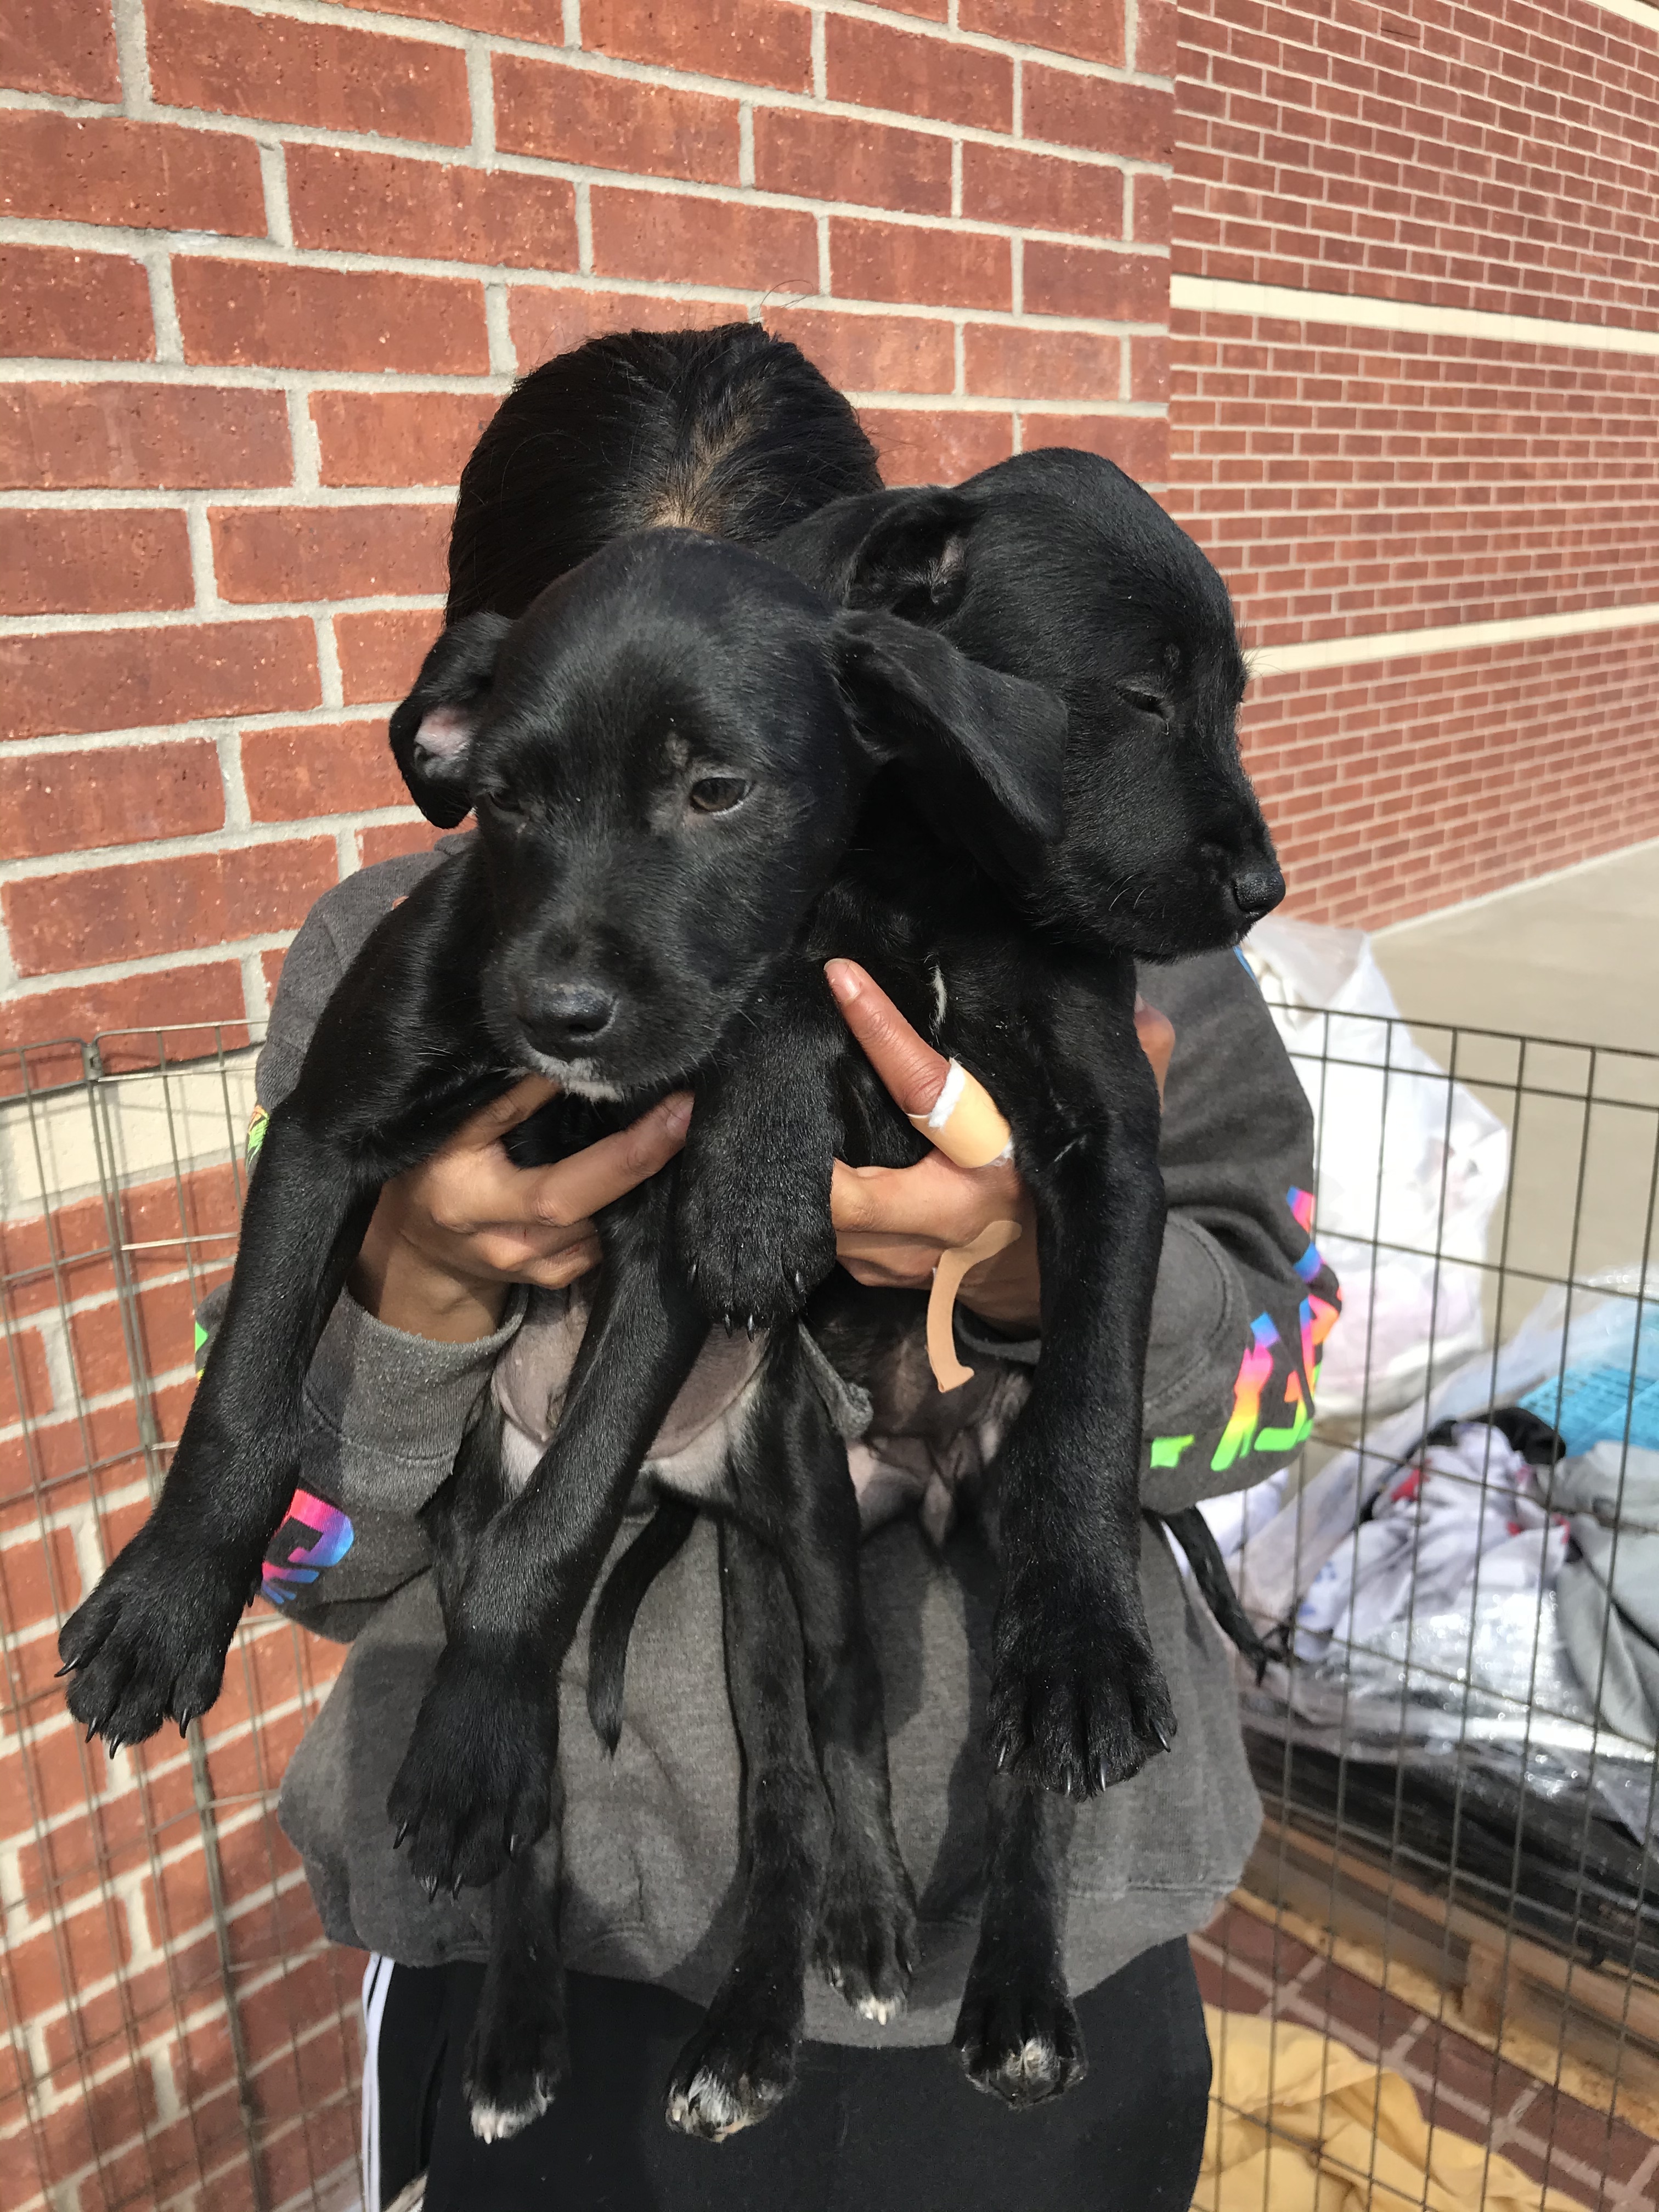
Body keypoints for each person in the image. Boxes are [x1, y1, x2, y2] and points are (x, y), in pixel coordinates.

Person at [219, 326, 1338, 2211]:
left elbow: (1288, 1381)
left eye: (728, 780)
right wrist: (415, 1299)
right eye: (557, 783)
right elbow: (295, 1554)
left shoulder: (1104, 927)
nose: (632, 880)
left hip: (1045, 1953)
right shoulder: (392, 970)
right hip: (571, 1963)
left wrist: (1044, 1293)